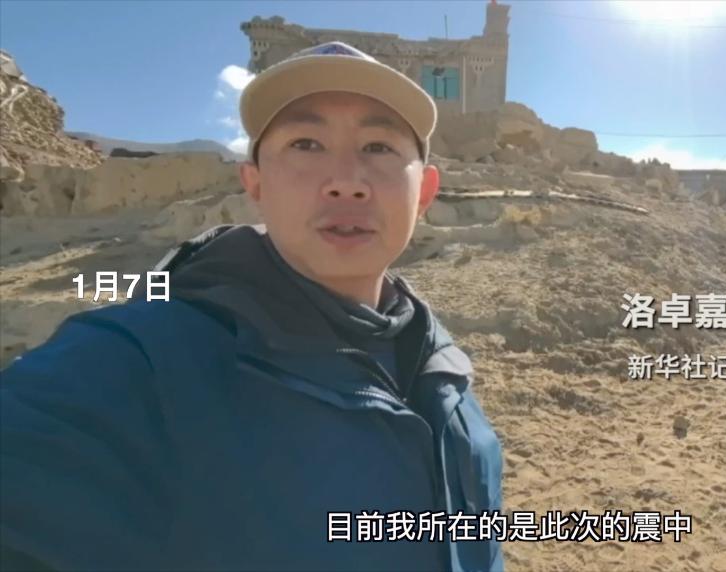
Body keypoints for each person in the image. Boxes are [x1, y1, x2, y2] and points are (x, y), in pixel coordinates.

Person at [0, 41, 504, 572]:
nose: (346, 182)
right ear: (254, 183)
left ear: (424, 192)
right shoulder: (138, 367)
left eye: (378, 147)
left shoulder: (444, 372)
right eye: (306, 144)